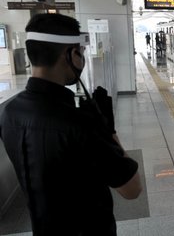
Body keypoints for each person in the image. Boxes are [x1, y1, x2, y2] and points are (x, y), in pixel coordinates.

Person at [0, 13, 141, 235]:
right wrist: (108, 131)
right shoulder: (78, 122)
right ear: (71, 54)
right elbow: (131, 189)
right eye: (81, 53)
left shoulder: (9, 112)